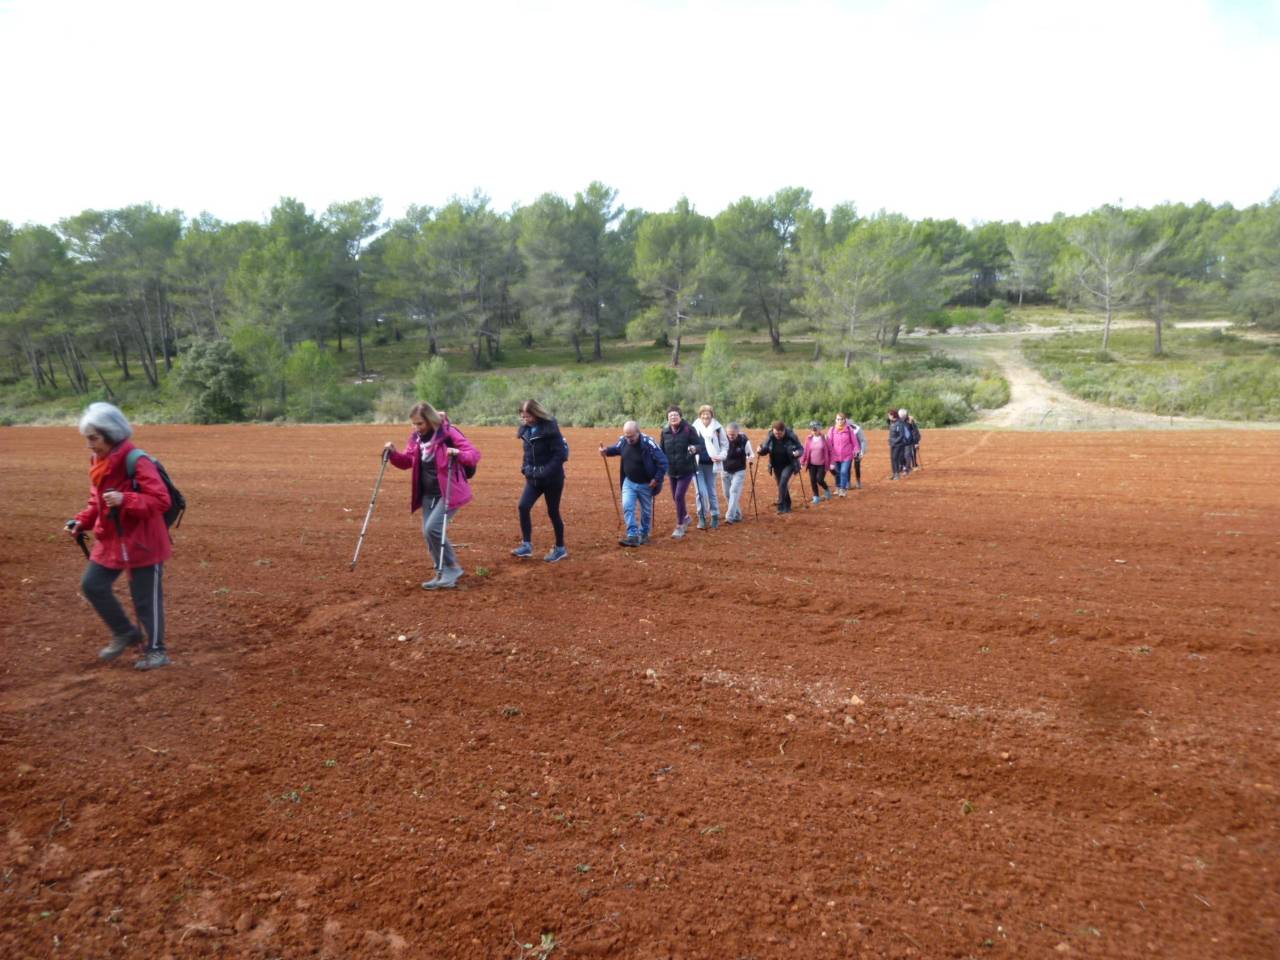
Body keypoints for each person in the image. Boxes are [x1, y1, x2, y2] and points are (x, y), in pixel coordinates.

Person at [67, 402, 173, 671]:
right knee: (93, 585)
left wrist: (125, 498)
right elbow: (97, 501)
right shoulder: (98, 462)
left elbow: (161, 500)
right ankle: (126, 632)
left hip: (143, 540)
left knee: (145, 600)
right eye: (87, 439)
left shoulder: (136, 460)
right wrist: (81, 522)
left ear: (110, 434)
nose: (89, 445)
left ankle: (157, 650)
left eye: (94, 438)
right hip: (113, 539)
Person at [384, 401, 481, 590]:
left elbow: (474, 455)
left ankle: (452, 568)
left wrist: (457, 453)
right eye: (413, 423)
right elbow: (407, 461)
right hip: (428, 493)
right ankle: (442, 572)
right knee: (430, 534)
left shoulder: (449, 433)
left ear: (429, 420)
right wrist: (393, 454)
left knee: (432, 529)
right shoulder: (417, 439)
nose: (416, 427)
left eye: (420, 423)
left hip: (450, 492)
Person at [512, 399, 568, 563]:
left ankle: (560, 548)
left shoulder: (550, 428)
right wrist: (525, 468)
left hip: (552, 478)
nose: (525, 419)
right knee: (523, 506)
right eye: (523, 416)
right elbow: (527, 453)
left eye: (528, 416)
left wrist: (545, 471)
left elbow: (560, 455)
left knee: (553, 512)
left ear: (536, 413)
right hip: (534, 478)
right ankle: (526, 545)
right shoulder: (526, 430)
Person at [600, 420, 668, 547]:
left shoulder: (649, 443)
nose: (629, 439)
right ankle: (632, 535)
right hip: (629, 482)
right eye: (626, 436)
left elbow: (663, 462)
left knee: (646, 511)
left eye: (631, 436)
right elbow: (617, 448)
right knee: (627, 506)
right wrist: (606, 451)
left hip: (647, 484)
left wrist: (657, 479)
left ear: (638, 432)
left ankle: (644, 534)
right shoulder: (624, 440)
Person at [659, 407, 706, 539]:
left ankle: (680, 526)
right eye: (670, 415)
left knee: (679, 496)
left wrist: (694, 448)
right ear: (667, 418)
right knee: (675, 497)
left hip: (686, 468)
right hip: (672, 469)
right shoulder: (665, 431)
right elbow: (661, 450)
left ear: (680, 416)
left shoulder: (688, 429)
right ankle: (685, 516)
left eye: (675, 415)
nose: (673, 417)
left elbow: (701, 445)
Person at [692, 404, 728, 529]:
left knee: (711, 491)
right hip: (697, 465)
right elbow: (689, 443)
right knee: (700, 492)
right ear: (700, 416)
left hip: (712, 464)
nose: (705, 416)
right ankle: (701, 516)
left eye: (708, 414)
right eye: (703, 414)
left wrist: (721, 455)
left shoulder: (718, 428)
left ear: (712, 415)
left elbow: (724, 445)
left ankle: (714, 515)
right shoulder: (694, 428)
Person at [756, 420, 803, 514]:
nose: (777, 435)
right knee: (781, 485)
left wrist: (798, 453)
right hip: (776, 464)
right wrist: (760, 450)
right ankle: (788, 505)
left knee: (783, 481)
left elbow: (800, 448)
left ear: (784, 430)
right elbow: (765, 449)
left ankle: (780, 505)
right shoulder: (770, 436)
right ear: (773, 430)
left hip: (789, 463)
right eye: (776, 433)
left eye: (780, 434)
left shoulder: (791, 436)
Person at [721, 422, 754, 523]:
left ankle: (729, 517)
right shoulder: (722, 440)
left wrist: (750, 459)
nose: (730, 436)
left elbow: (750, 454)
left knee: (733, 491)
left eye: (733, 434)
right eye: (729, 434)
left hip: (739, 470)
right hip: (725, 470)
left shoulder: (744, 440)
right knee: (726, 494)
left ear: (738, 433)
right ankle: (737, 514)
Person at [826, 413, 861, 497]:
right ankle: (838, 487)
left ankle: (843, 489)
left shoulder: (849, 430)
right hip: (835, 456)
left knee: (844, 471)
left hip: (847, 456)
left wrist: (856, 450)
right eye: (838, 419)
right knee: (837, 473)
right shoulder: (832, 430)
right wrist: (828, 454)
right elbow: (829, 443)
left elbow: (855, 442)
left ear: (844, 420)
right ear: (835, 420)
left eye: (841, 419)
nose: (840, 421)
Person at [800, 421, 833, 503]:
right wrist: (802, 462)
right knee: (812, 480)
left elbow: (831, 451)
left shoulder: (825, 438)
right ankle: (816, 497)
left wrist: (832, 463)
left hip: (822, 464)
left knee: (819, 479)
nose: (814, 430)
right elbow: (805, 451)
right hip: (812, 464)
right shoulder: (809, 438)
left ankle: (827, 489)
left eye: (816, 428)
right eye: (813, 429)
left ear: (820, 429)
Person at [887, 408, 908, 480]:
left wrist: (895, 441)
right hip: (892, 444)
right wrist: (890, 440)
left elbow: (901, 435)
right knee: (892, 459)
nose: (888, 417)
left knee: (895, 458)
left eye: (889, 415)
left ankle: (897, 475)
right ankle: (894, 473)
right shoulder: (892, 423)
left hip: (898, 445)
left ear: (893, 415)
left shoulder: (899, 423)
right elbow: (892, 434)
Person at [849, 418, 868, 489]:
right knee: (847, 466)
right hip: (848, 451)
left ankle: (858, 481)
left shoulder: (857, 429)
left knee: (857, 466)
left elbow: (862, 441)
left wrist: (862, 452)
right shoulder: (843, 429)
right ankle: (848, 482)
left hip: (857, 450)